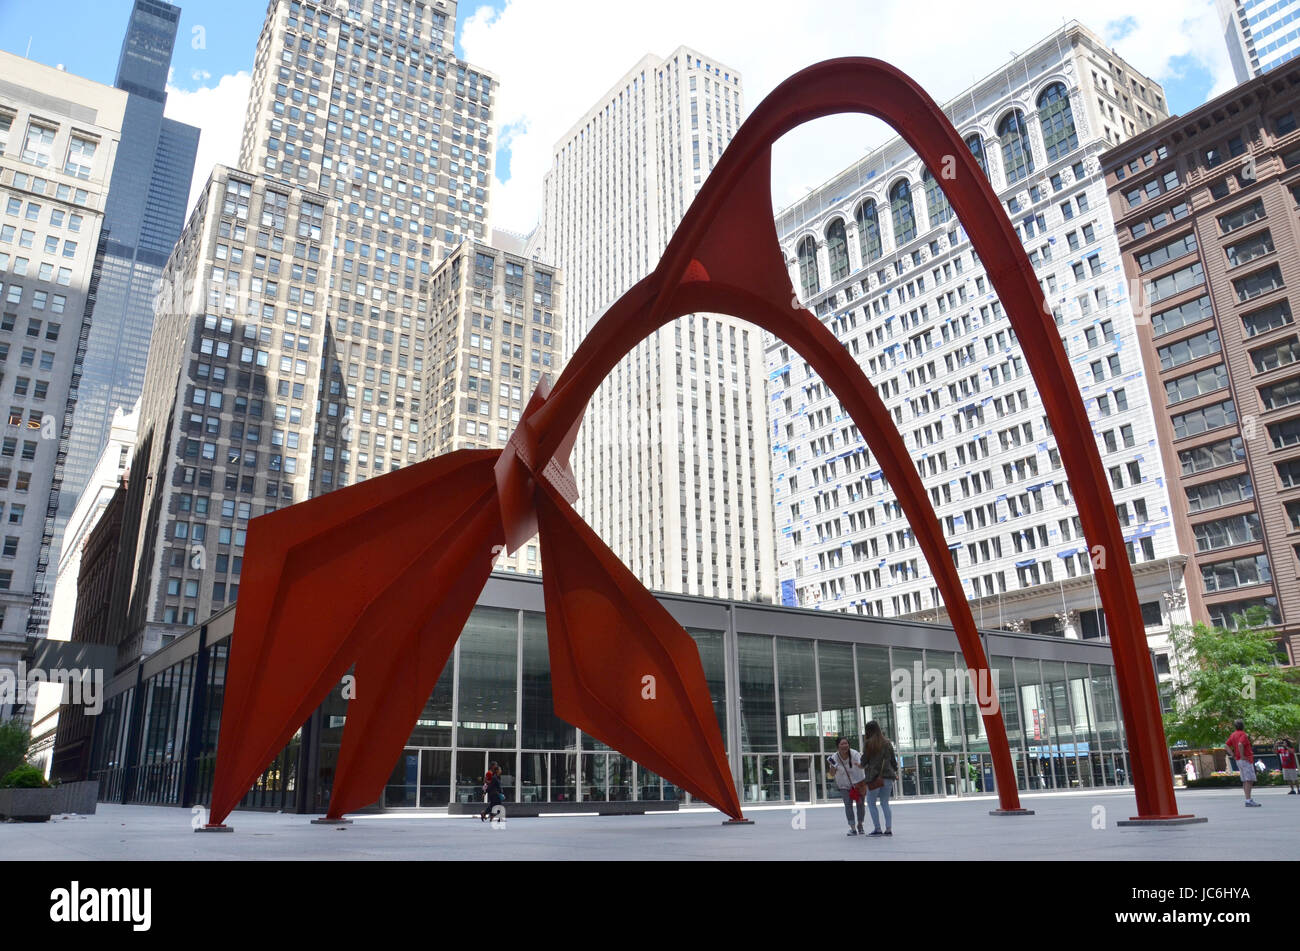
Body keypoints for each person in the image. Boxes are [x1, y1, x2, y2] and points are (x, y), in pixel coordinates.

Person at [861, 720, 898, 837]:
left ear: (868, 731)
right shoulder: (887, 743)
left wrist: (862, 764)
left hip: (874, 778)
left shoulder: (869, 743)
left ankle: (877, 829)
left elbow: (864, 761)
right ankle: (888, 829)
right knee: (885, 803)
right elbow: (893, 760)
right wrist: (895, 771)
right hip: (888, 777)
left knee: (871, 803)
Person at [826, 736, 867, 835]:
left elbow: (862, 765)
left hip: (858, 783)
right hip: (844, 785)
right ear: (838, 746)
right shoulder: (834, 758)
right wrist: (833, 766)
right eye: (842, 744)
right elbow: (831, 774)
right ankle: (852, 827)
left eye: (846, 743)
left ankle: (860, 824)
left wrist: (860, 765)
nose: (845, 746)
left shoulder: (855, 754)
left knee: (860, 804)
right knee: (848, 805)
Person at [1227, 720, 1262, 807]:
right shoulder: (1243, 734)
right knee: (1249, 780)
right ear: (1243, 726)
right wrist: (1242, 755)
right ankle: (1248, 800)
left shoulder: (1233, 734)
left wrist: (1233, 755)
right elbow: (1240, 744)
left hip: (1238, 760)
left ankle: (1247, 799)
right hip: (1245, 759)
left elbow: (1226, 745)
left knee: (1245, 780)